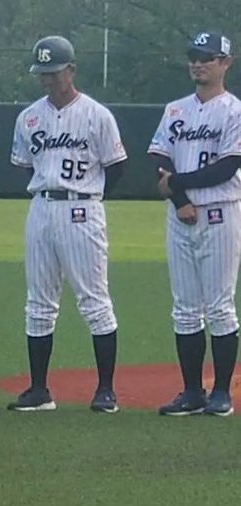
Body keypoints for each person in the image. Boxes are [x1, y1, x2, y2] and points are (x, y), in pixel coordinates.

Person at [7, 35, 126, 413]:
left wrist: (91, 195)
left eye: (54, 72)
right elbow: (24, 165)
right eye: (42, 73)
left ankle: (105, 390)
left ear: (71, 70)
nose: (47, 79)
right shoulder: (28, 117)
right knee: (38, 302)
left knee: (94, 300)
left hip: (82, 209)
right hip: (42, 207)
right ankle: (39, 390)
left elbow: (116, 166)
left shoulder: (96, 115)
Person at [150, 31, 241, 417]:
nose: (198, 63)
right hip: (181, 215)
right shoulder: (175, 110)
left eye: (207, 57)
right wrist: (180, 199)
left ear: (226, 63)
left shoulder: (234, 111)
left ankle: (220, 393)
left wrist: (177, 183)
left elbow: (227, 166)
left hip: (221, 211)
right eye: (194, 57)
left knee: (220, 306)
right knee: (185, 308)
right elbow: (159, 158)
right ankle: (191, 392)